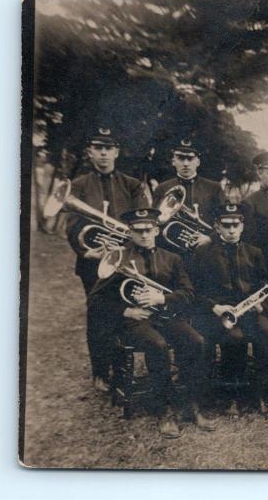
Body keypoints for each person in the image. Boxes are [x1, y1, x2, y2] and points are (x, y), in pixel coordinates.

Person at [88, 208, 214, 438]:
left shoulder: (172, 258)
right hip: (135, 323)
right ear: (131, 232)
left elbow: (188, 293)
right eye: (138, 231)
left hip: (166, 317)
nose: (144, 235)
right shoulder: (119, 258)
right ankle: (164, 409)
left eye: (148, 230)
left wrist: (162, 298)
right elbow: (95, 300)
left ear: (156, 230)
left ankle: (191, 404)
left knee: (197, 341)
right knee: (157, 345)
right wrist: (126, 310)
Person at [65, 127, 150, 392]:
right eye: (98, 148)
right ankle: (101, 372)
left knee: (126, 310)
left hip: (127, 260)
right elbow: (73, 224)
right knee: (99, 315)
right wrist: (86, 250)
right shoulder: (77, 185)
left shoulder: (131, 184)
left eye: (108, 148)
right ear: (90, 152)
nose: (103, 154)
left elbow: (140, 221)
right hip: (93, 262)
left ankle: (122, 368)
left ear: (116, 152)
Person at [189, 203, 268, 418]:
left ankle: (260, 394)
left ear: (242, 226)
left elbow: (265, 284)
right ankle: (232, 397)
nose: (231, 230)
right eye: (225, 225)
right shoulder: (203, 253)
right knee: (235, 338)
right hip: (220, 313)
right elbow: (194, 290)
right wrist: (215, 307)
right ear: (217, 227)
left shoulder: (254, 252)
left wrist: (261, 304)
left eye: (235, 225)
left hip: (249, 311)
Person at [152, 140, 223, 253]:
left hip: (207, 249)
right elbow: (155, 221)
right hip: (172, 251)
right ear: (173, 161)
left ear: (198, 162)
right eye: (180, 158)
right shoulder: (162, 188)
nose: (185, 163)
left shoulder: (214, 187)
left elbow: (222, 218)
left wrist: (210, 238)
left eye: (190, 159)